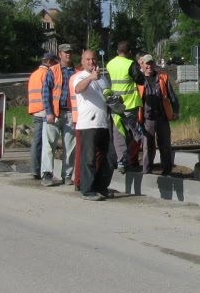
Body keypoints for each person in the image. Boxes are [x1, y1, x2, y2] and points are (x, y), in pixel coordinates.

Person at [71, 50, 113, 201]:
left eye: (93, 59)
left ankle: (101, 187)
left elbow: (108, 96)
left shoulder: (103, 79)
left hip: (103, 123)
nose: (91, 62)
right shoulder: (79, 77)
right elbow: (78, 89)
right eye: (87, 59)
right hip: (87, 124)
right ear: (82, 62)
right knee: (88, 158)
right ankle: (87, 190)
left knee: (110, 157)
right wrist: (90, 77)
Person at [137, 54, 179, 176]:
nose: (149, 66)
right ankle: (147, 171)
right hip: (146, 119)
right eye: (147, 64)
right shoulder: (138, 80)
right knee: (147, 147)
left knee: (165, 146)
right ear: (142, 65)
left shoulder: (162, 78)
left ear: (154, 64)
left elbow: (172, 96)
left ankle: (167, 171)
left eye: (151, 63)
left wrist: (175, 111)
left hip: (162, 117)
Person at [106, 40, 144, 173]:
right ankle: (133, 155)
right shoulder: (130, 64)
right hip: (129, 104)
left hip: (116, 105)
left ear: (117, 51)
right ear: (129, 53)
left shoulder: (110, 64)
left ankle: (121, 161)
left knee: (118, 132)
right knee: (133, 133)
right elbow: (140, 79)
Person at [41, 43, 77, 187]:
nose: (68, 54)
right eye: (65, 52)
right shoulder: (53, 71)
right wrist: (49, 112)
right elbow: (45, 92)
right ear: (60, 54)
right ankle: (47, 173)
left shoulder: (76, 72)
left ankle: (67, 175)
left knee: (70, 146)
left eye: (70, 52)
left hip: (70, 113)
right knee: (49, 145)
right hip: (55, 113)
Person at [27, 52, 56, 180]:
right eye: (54, 62)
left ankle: (35, 169)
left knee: (37, 141)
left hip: (35, 110)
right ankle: (39, 170)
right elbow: (47, 93)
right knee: (44, 143)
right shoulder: (46, 74)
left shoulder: (34, 74)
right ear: (49, 62)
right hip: (44, 111)